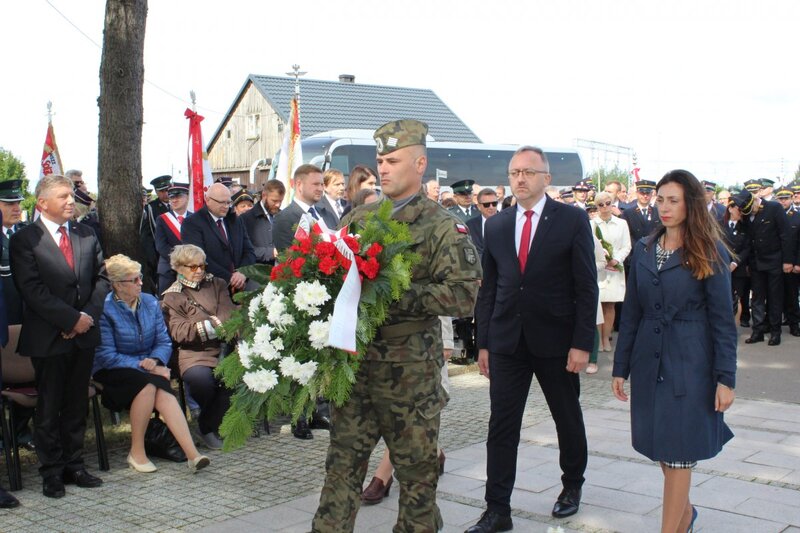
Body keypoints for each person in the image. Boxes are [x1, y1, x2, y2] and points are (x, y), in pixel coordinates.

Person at [312, 119, 482, 533]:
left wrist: (390, 296)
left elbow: (464, 294)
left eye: (393, 160)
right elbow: (330, 276)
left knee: (417, 479)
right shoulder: (359, 218)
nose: (383, 168)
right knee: (340, 472)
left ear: (420, 163)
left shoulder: (442, 226)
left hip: (410, 375)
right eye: (380, 160)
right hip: (355, 369)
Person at [467, 146, 598, 533]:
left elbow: (585, 286)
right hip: (508, 340)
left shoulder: (571, 220)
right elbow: (490, 288)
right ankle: (497, 510)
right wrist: (484, 342)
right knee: (501, 426)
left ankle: (572, 485)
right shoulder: (498, 224)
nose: (519, 179)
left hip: (556, 341)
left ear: (546, 178)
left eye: (527, 172)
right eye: (513, 172)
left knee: (566, 416)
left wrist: (581, 343)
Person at [612, 169, 737, 533]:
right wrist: (620, 367)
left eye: (673, 200)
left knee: (680, 455)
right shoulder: (645, 248)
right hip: (650, 364)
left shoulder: (708, 250)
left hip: (691, 366)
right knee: (664, 450)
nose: (664, 207)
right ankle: (686, 515)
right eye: (661, 199)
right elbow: (631, 312)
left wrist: (725, 378)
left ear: (690, 204)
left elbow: (722, 322)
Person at [10, 174, 110, 499]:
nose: (71, 201)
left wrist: (85, 319)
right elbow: (32, 290)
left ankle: (75, 465)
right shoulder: (26, 239)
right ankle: (51, 471)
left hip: (83, 335)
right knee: (50, 406)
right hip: (48, 336)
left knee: (76, 403)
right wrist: (69, 319)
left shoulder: (86, 233)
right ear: (42, 203)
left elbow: (100, 279)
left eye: (72, 196)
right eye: (64, 196)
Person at [93, 254, 210, 473]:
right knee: (147, 384)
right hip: (112, 370)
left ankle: (192, 455)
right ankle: (137, 451)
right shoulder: (104, 309)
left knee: (160, 391)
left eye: (140, 278)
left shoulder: (149, 302)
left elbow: (163, 341)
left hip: (148, 366)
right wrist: (147, 365)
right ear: (117, 285)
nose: (140, 283)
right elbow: (107, 355)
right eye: (134, 280)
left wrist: (155, 360)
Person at [360, 316, 454, 505]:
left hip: (421, 352)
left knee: (401, 419)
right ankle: (436, 453)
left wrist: (446, 341)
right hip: (384, 352)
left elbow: (440, 303)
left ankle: (382, 476)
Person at [161, 244, 237, 450]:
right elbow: (180, 332)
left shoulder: (217, 284)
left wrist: (211, 326)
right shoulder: (172, 296)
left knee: (233, 376)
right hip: (193, 354)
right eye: (192, 267)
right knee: (202, 381)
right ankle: (211, 426)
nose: (199, 271)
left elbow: (230, 313)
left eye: (202, 266)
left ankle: (206, 426)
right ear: (178, 267)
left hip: (224, 348)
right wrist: (214, 326)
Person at [732, 190, 793, 346]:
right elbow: (747, 241)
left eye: (750, 208)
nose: (749, 212)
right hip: (756, 263)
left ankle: (775, 332)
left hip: (774, 261)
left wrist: (787, 261)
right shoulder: (746, 215)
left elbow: (786, 235)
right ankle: (758, 331)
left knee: (774, 298)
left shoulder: (774, 208)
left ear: (755, 200)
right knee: (758, 298)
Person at [180, 183, 256, 293]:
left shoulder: (236, 220)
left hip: (241, 285)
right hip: (211, 289)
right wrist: (231, 279)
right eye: (221, 202)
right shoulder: (192, 223)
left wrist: (243, 273)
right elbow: (199, 259)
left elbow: (249, 251)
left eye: (229, 202)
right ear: (207, 199)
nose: (226, 206)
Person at [592, 191, 632, 352]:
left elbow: (626, 245)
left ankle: (606, 338)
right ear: (596, 206)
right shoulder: (591, 224)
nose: (605, 207)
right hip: (598, 269)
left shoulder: (621, 223)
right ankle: (598, 342)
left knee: (610, 305)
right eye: (601, 204)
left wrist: (616, 259)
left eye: (608, 203)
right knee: (597, 305)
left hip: (615, 267)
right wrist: (601, 262)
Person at [272, 164, 338, 251]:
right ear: (299, 185)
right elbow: (288, 258)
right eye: (316, 184)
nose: (321, 189)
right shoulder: (284, 219)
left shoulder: (328, 214)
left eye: (322, 184)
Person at [154, 182, 190, 294]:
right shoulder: (162, 219)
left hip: (192, 268)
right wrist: (179, 263)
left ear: (187, 197)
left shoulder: (195, 218)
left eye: (178, 196)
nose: (174, 200)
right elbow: (161, 246)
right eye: (171, 197)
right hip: (169, 269)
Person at [140, 175, 172, 294]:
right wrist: (153, 259)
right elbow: (146, 237)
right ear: (156, 192)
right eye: (161, 191)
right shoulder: (151, 209)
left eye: (167, 190)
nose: (165, 194)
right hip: (160, 258)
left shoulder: (177, 206)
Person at [240, 179, 285, 265]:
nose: (278, 205)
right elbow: (244, 249)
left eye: (281, 201)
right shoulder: (245, 219)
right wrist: (272, 252)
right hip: (258, 273)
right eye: (274, 201)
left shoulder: (283, 216)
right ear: (264, 195)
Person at [723, 200, 752, 327]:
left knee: (738, 297)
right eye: (739, 209)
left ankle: (736, 324)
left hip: (738, 268)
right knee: (723, 297)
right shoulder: (719, 225)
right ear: (730, 208)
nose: (741, 213)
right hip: (722, 266)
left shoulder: (745, 227)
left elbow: (747, 248)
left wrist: (735, 263)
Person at [466, 188, 498, 257]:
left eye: (494, 203)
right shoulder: (470, 225)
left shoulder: (506, 223)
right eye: (487, 204)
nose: (491, 207)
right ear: (479, 207)